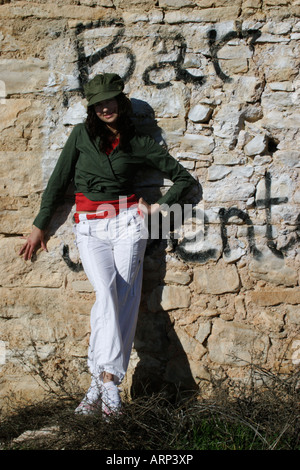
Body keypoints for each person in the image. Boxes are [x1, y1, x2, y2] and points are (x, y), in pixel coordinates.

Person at [19, 73, 196, 417]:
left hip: (128, 224)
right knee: (107, 294)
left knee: (125, 295)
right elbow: (58, 181)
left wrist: (158, 206)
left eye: (110, 100)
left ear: (121, 102)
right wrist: (40, 226)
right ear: (91, 108)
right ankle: (105, 380)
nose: (105, 107)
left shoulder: (140, 142)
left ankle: (104, 383)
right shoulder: (80, 136)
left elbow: (184, 179)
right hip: (89, 226)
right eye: (98, 103)